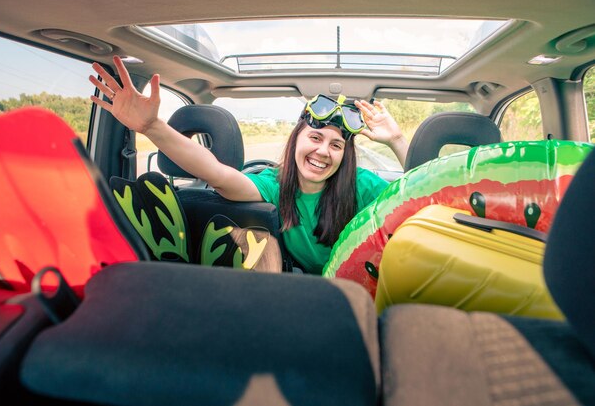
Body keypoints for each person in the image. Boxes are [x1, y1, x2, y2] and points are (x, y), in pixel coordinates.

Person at [90, 56, 409, 275]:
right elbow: (216, 173)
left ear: (345, 156)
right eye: (315, 137)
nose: (323, 151)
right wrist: (151, 127)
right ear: (296, 138)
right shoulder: (272, 185)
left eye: (336, 145)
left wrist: (396, 139)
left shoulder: (363, 186)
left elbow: (424, 197)